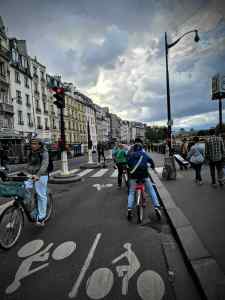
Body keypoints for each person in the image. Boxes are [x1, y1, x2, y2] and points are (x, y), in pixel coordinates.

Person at [126, 139, 161, 220]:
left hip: (133, 176)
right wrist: (152, 167)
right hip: (144, 175)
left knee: (131, 192)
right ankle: (156, 207)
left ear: (134, 149)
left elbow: (127, 163)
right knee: (151, 189)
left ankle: (129, 210)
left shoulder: (131, 155)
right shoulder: (144, 154)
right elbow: (151, 161)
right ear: (141, 148)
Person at [25, 138, 49, 225]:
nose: (33, 145)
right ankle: (32, 207)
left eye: (35, 144)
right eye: (32, 143)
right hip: (31, 174)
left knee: (41, 195)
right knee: (25, 188)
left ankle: (42, 216)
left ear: (40, 145)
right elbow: (29, 164)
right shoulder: (30, 152)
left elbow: (44, 164)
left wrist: (38, 175)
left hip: (42, 175)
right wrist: (25, 173)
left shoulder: (44, 152)